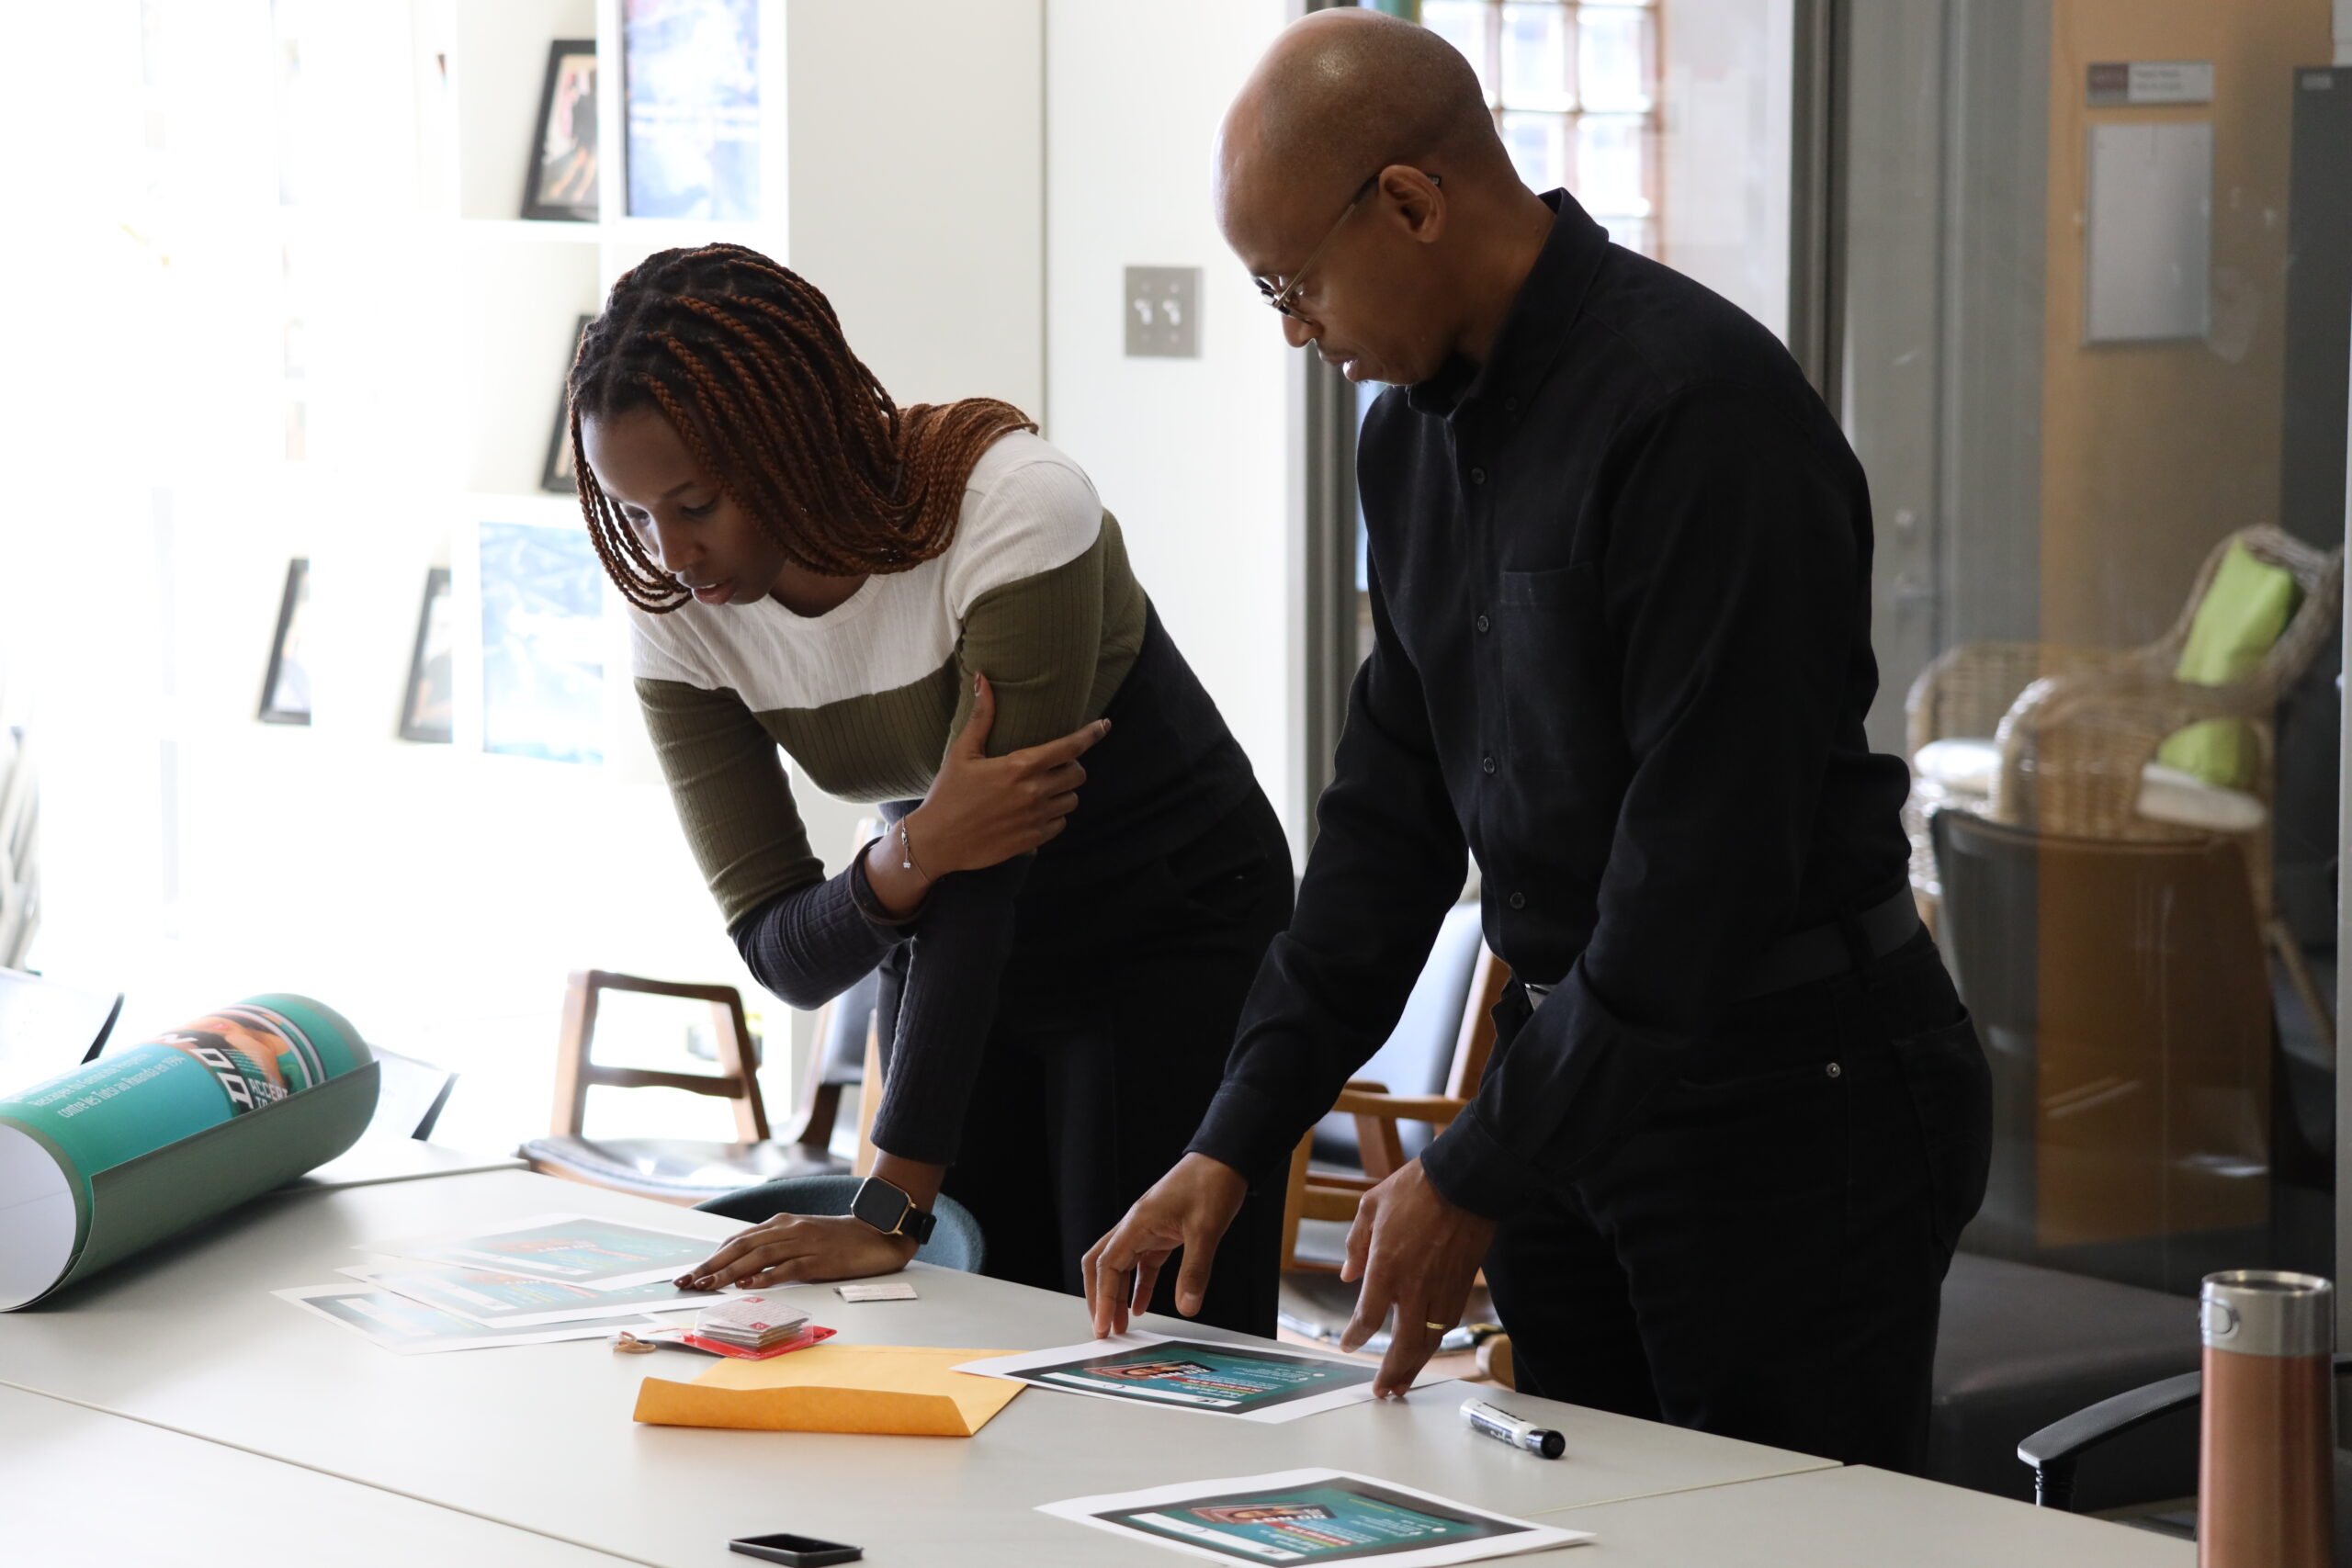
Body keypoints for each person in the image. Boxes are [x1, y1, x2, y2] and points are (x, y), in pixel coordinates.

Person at [1084, 10, 1992, 1470]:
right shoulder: (1407, 440)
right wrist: (1231, 1138)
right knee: (1587, 1522)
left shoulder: (1701, 412)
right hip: (1577, 1078)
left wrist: (1477, 1164)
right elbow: (1384, 828)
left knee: (1776, 1537)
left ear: (1411, 202)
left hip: (1793, 1087)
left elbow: (1702, 867)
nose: (1296, 330)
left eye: (1294, 283)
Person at [566, 242, 1290, 1334]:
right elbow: (781, 947)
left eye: (696, 503)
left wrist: (890, 1202)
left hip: (1167, 920)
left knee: (1141, 1344)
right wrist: (915, 851)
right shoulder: (678, 619)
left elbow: (988, 877)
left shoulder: (1010, 506)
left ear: (788, 439)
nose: (670, 553)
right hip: (955, 922)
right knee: (951, 1325)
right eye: (635, 516)